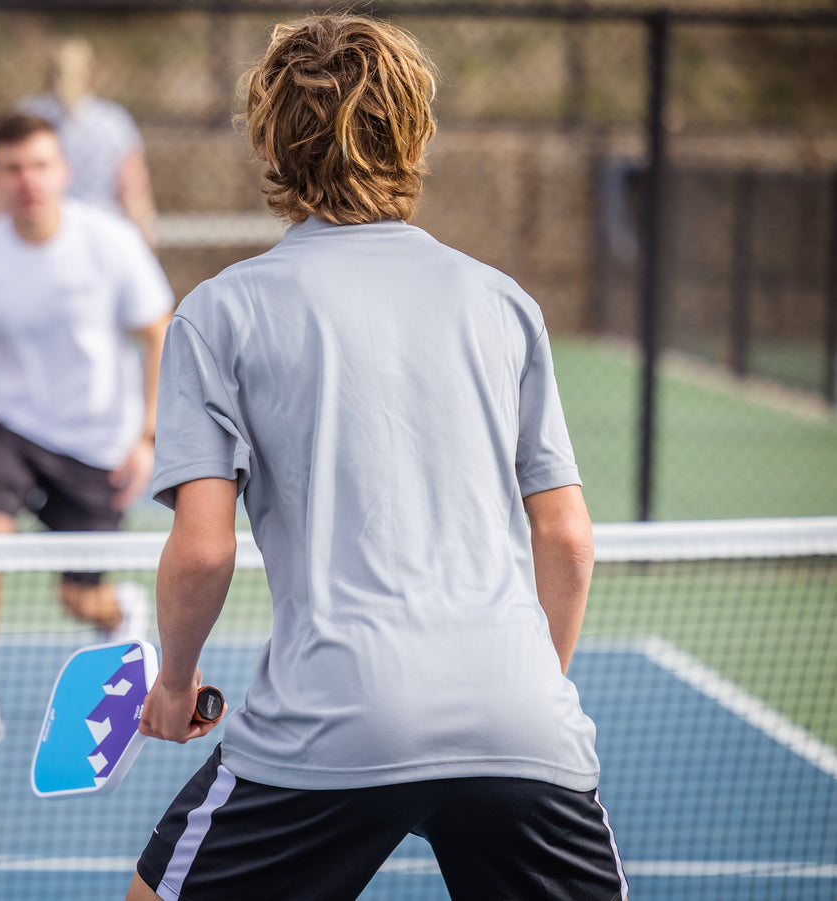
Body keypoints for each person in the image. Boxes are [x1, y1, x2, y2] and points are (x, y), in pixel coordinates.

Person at [127, 15, 628, 901]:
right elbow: (569, 541)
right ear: (413, 131)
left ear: (272, 140)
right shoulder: (503, 302)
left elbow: (204, 549)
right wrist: (506, 690)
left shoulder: (217, 313)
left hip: (331, 719)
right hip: (522, 714)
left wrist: (174, 686)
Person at [0, 113, 174, 754]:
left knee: (77, 599)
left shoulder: (110, 243)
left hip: (97, 443)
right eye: (13, 168)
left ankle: (117, 610)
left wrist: (146, 438)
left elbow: (159, 337)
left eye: (39, 165)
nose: (28, 180)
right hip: (13, 429)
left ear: (63, 172)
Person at [20, 38, 158, 249]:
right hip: (101, 234)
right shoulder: (114, 121)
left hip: (43, 233)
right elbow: (134, 195)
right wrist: (147, 243)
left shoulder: (28, 116)